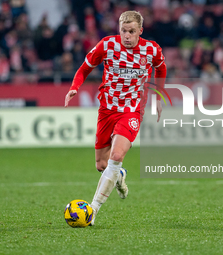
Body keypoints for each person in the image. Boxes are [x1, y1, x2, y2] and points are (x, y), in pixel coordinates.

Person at [64, 11, 167, 225]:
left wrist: (158, 96)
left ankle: (92, 211)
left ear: (140, 31)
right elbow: (84, 68)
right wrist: (74, 87)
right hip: (107, 109)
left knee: (117, 154)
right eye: (123, 31)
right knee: (102, 164)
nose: (127, 36)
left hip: (131, 110)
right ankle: (119, 176)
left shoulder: (151, 49)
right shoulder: (107, 45)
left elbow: (161, 68)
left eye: (131, 31)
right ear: (118, 29)